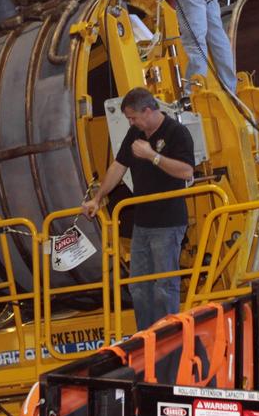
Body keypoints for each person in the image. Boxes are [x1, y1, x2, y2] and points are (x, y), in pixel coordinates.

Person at [82, 87, 195, 330]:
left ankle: (169, 333)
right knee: (139, 286)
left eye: (133, 117)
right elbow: (118, 167)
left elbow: (186, 171)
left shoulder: (177, 132)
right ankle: (145, 336)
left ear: (148, 110)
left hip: (168, 222)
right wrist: (98, 197)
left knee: (164, 285)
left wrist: (152, 156)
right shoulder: (134, 134)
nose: (131, 122)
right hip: (142, 223)